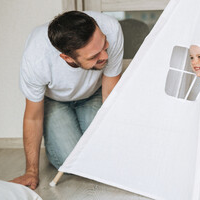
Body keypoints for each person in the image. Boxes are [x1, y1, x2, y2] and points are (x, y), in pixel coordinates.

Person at [10, 11, 124, 190]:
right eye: (94, 56)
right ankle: (56, 138)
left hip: (94, 93)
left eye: (105, 45)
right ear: (67, 58)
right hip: (55, 100)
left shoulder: (111, 28)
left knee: (103, 154)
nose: (105, 57)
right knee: (72, 163)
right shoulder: (36, 58)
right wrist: (31, 171)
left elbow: (110, 94)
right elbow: (33, 117)